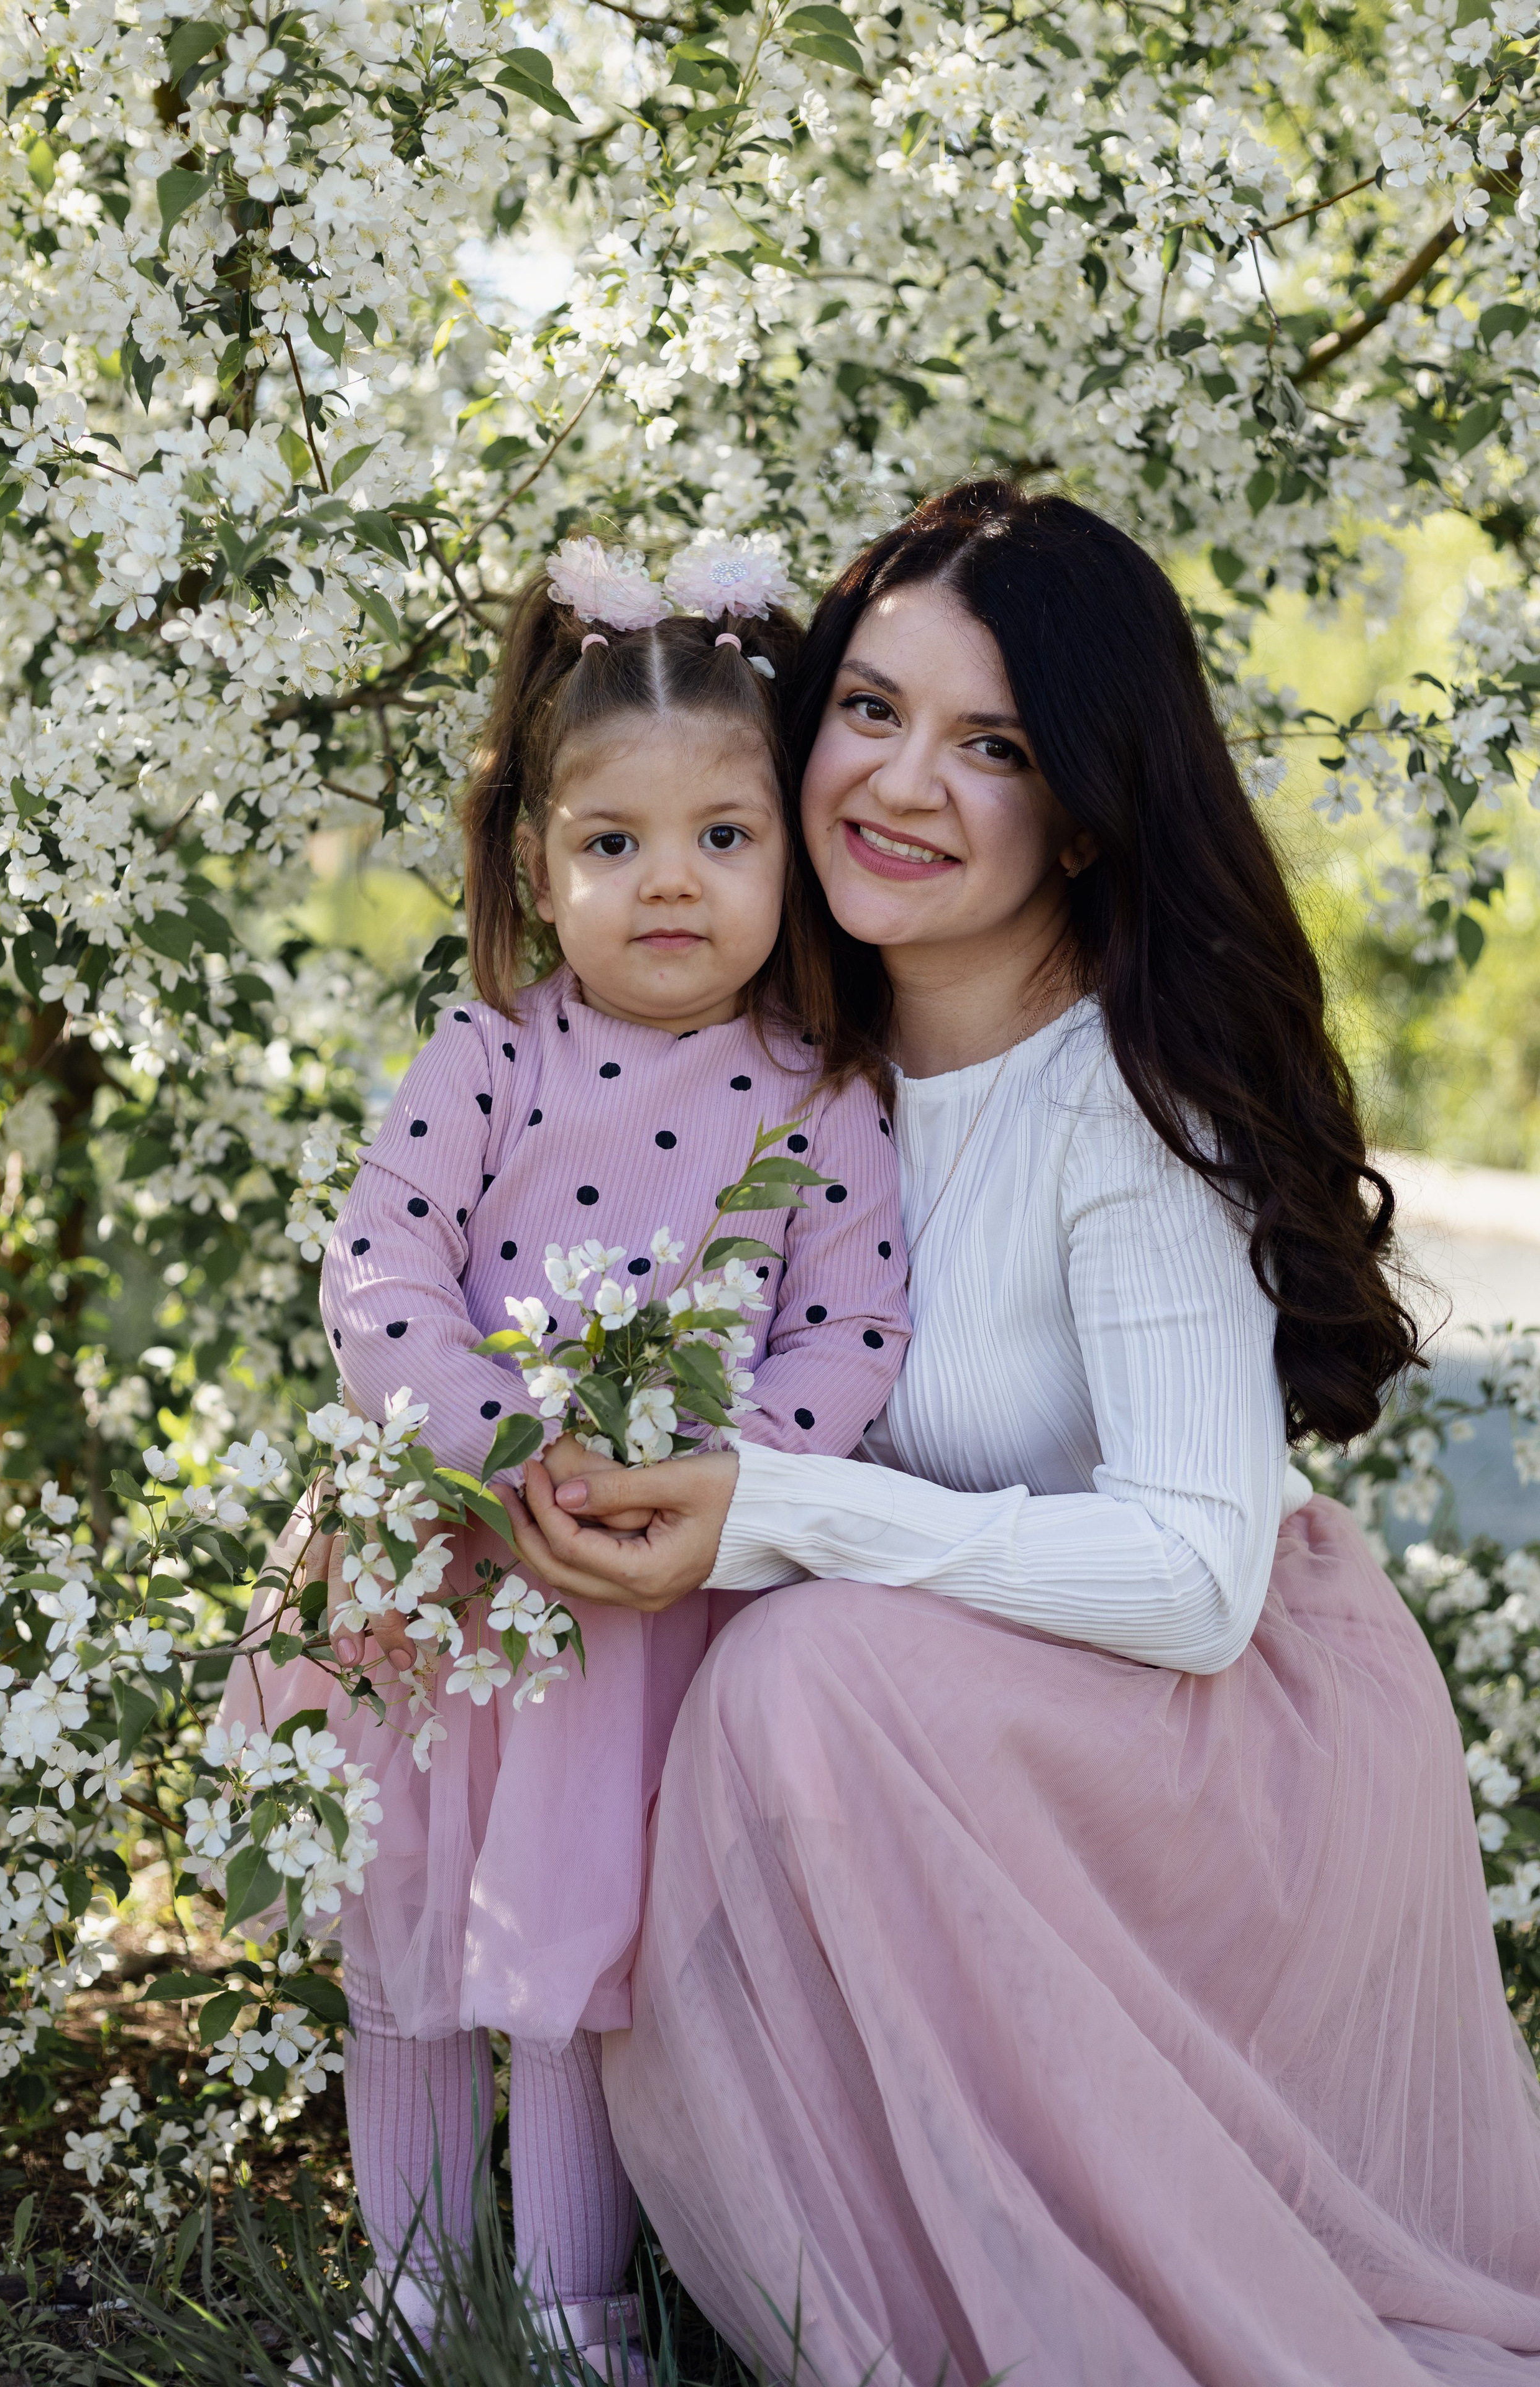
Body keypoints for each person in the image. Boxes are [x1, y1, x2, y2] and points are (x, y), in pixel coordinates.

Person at [498, 484, 1540, 2386]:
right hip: (953, 1748)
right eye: (872, 710)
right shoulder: (769, 1061)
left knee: (802, 1667)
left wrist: (780, 1517)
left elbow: (1198, 1576)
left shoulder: (1128, 1121)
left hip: (1196, 1767)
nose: (901, 784)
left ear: (1081, 807)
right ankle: (596, 2262)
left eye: (994, 745)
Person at [221, 537, 909, 2373]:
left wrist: (718, 1481)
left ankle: (576, 2313)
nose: (667, 882)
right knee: (411, 1950)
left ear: (798, 856)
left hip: (639, 1599)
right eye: (615, 844)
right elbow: (382, 1262)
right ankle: (416, 2295)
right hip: (448, 1557)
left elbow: (850, 1334)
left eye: (724, 838)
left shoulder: (822, 1096)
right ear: (538, 864)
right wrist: (493, 1448)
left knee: (588, 1977)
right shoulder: (489, 1053)